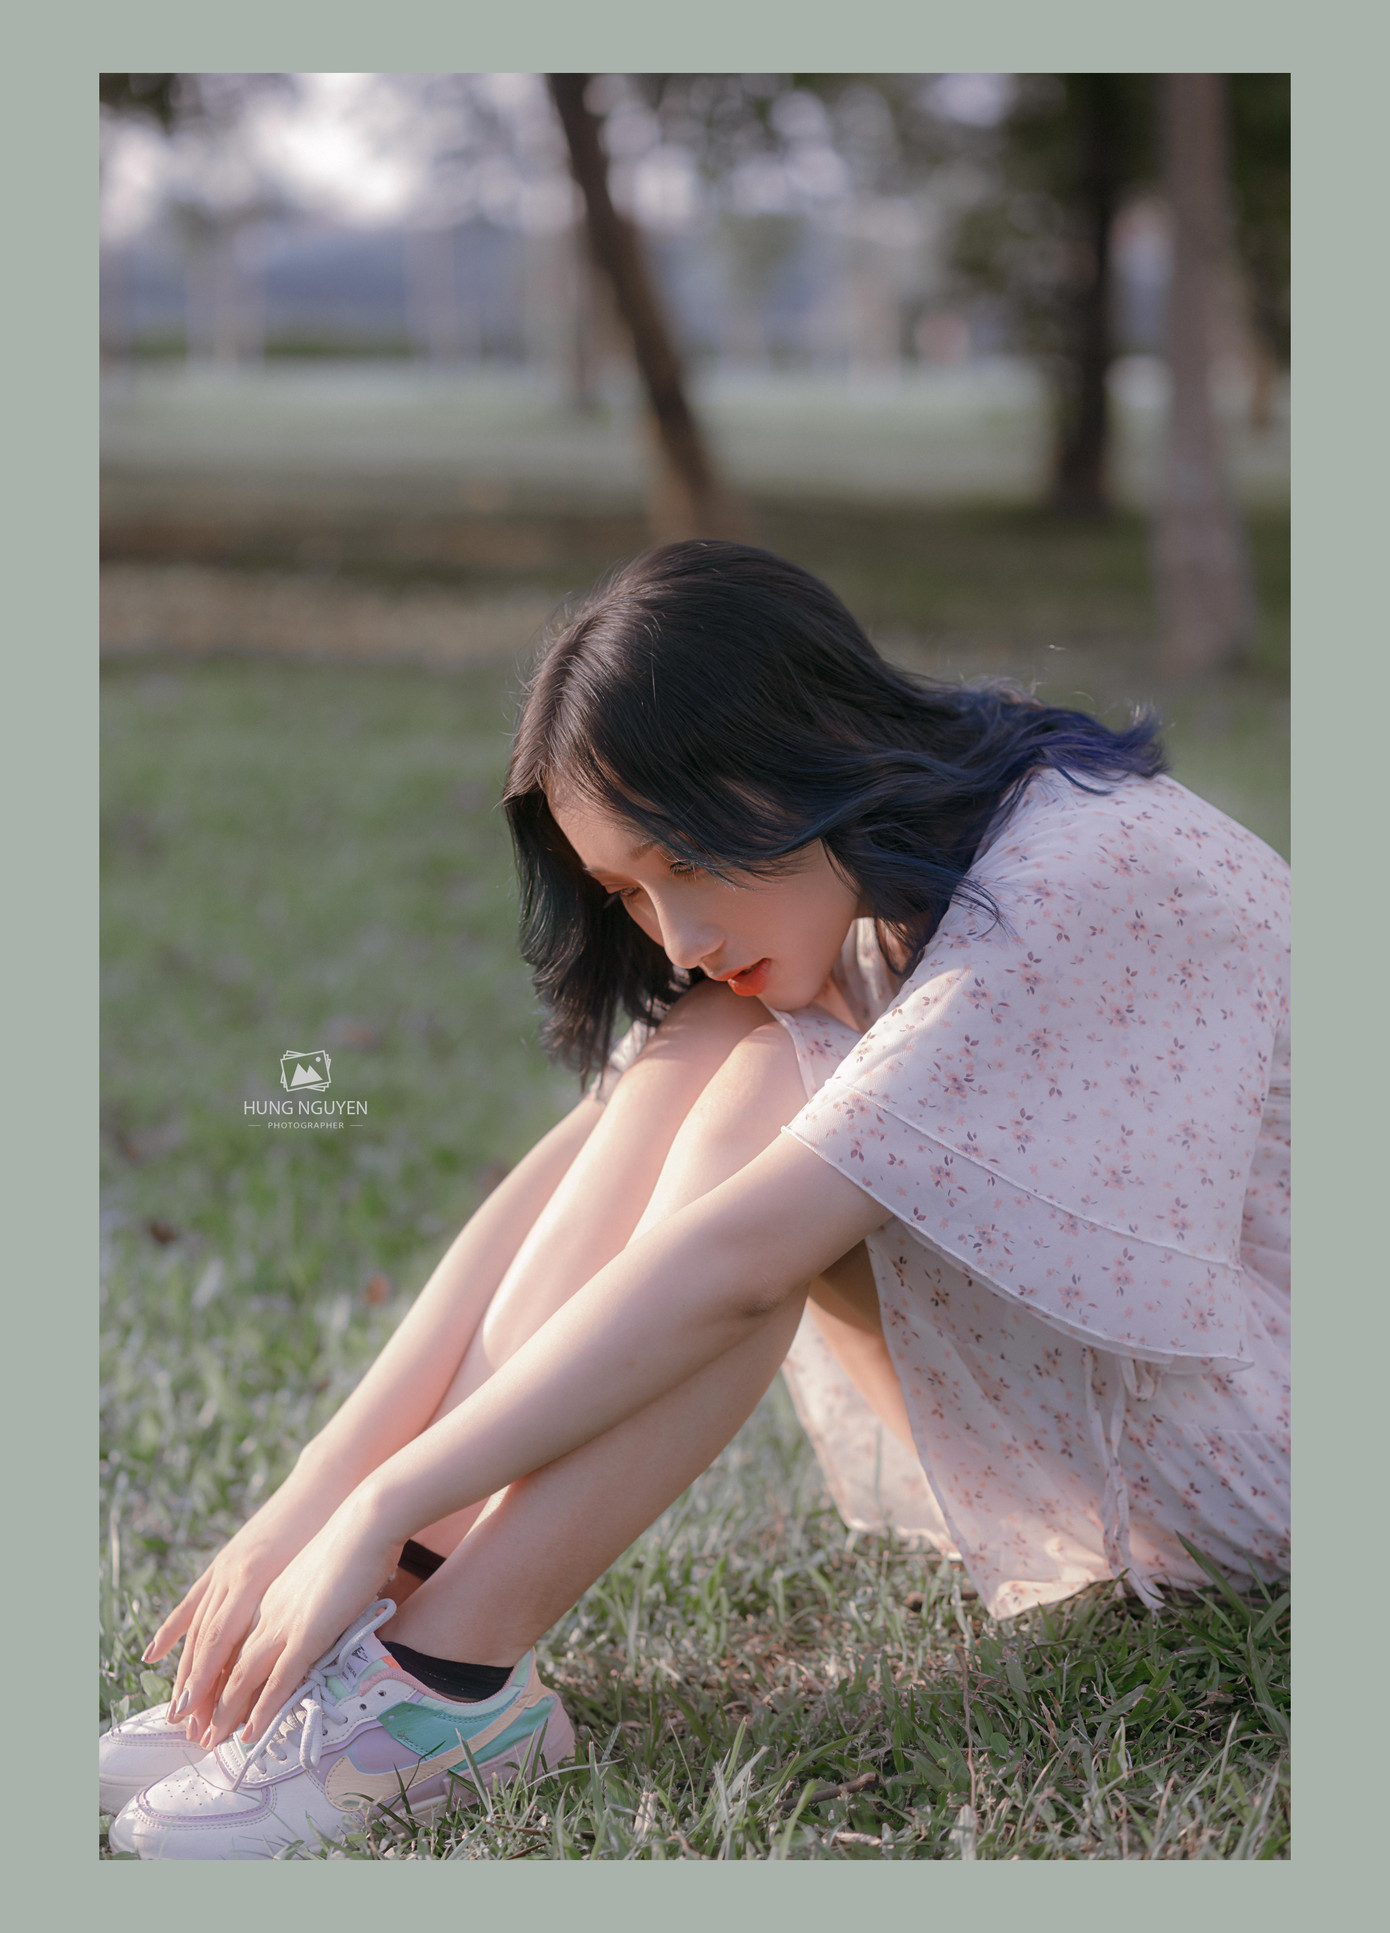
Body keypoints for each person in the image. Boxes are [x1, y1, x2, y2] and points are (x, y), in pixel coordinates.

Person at [102, 542, 1290, 1859]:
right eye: (629, 891)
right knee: (722, 1045)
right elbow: (581, 1162)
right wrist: (331, 1496)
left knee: (757, 1117)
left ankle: (445, 1680)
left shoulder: (1071, 875)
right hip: (1137, 1415)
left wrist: (378, 1499)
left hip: (1270, 1459)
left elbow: (731, 1266)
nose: (674, 935)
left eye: (684, 860)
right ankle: (407, 1610)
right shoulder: (883, 853)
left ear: (801, 745)